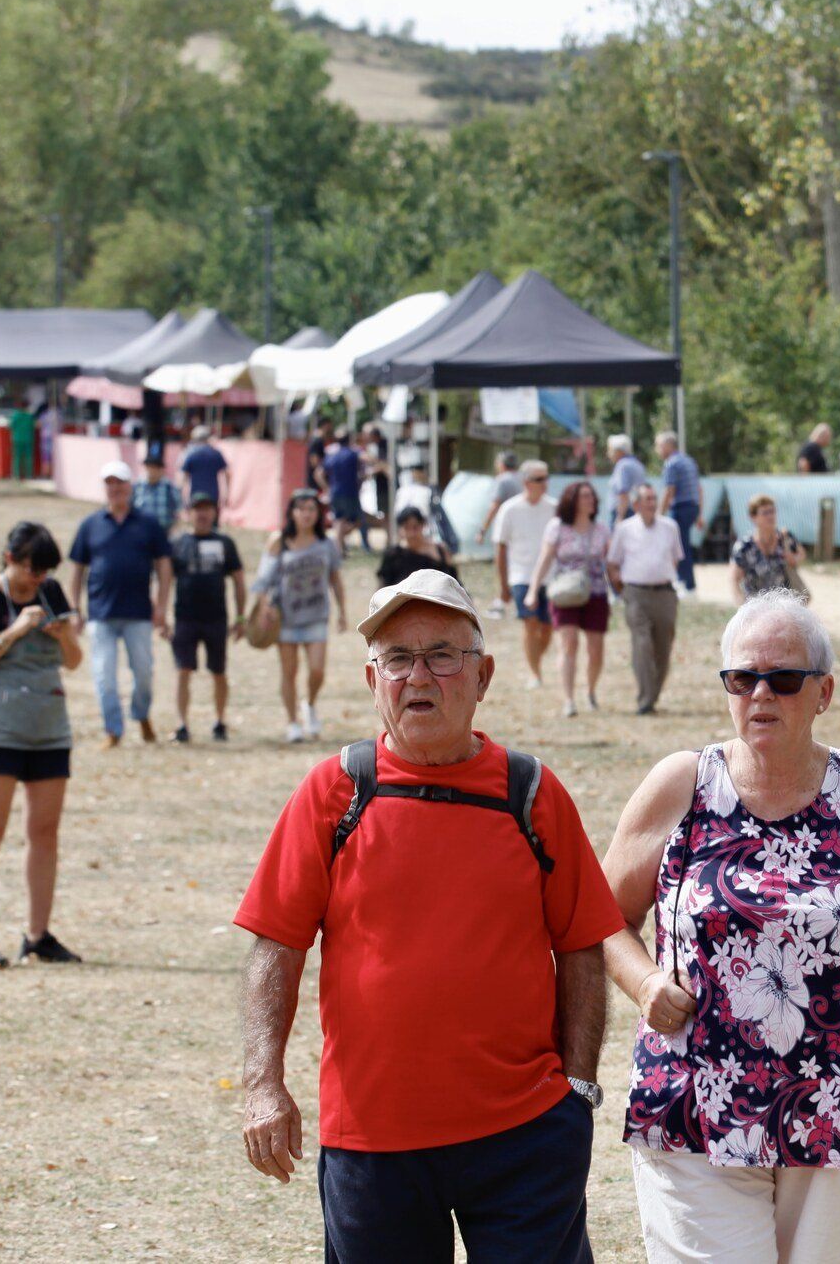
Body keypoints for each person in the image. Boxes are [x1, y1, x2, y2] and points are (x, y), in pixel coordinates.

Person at [236, 569, 622, 1261]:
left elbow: (583, 945)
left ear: (483, 675)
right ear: (371, 678)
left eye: (443, 654)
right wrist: (264, 1081)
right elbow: (277, 945)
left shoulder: (531, 793)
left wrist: (578, 1090)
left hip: (526, 1136)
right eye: (398, 659)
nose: (420, 676)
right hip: (374, 1140)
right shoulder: (334, 793)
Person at [603, 590, 840, 1260]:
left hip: (833, 1091)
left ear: (824, 692)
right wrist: (644, 980)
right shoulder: (682, 783)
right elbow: (601, 916)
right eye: (742, 678)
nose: (761, 693)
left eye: (784, 678)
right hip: (695, 1093)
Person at [0, 522, 84, 969]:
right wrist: (11, 632)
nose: (38, 578)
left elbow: (74, 660)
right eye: (32, 569)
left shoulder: (52, 593)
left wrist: (63, 634)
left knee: (44, 832)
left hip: (48, 728)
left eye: (46, 571)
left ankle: (38, 934)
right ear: (10, 558)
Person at [68, 461, 173, 748]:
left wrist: (162, 605)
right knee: (104, 676)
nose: (115, 489)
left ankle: (141, 714)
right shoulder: (90, 525)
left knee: (143, 673)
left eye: (120, 483)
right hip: (100, 613)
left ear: (130, 487)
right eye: (110, 483)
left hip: (139, 612)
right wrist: (74, 609)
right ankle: (113, 729)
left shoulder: (148, 524)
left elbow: (164, 566)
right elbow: (77, 569)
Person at [253, 489, 347, 743]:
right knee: (289, 671)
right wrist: (264, 608)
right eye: (301, 508)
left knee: (317, 670)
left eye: (311, 509)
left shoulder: (326, 543)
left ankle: (311, 704)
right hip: (286, 617)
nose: (306, 514)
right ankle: (292, 721)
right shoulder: (278, 541)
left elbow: (335, 578)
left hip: (316, 614)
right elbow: (262, 581)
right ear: (291, 512)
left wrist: (342, 612)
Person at [168, 495, 245, 745]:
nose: (202, 514)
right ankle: (181, 724)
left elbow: (238, 579)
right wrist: (162, 614)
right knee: (183, 671)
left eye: (207, 508)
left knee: (219, 672)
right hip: (184, 618)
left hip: (216, 618)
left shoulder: (224, 543)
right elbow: (165, 579)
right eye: (197, 509)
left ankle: (220, 721)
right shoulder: (178, 543)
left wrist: (241, 616)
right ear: (188, 513)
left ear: (214, 512)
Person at [529, 482, 610, 718]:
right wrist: (533, 589)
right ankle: (569, 699)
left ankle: (591, 691)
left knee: (596, 648)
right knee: (568, 643)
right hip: (564, 592)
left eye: (591, 496)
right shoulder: (557, 527)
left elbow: (611, 563)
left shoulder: (602, 529)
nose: (590, 500)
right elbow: (544, 559)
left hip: (595, 592)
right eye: (585, 496)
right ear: (572, 500)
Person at [607, 483, 683, 716]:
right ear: (636, 504)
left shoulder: (670, 527)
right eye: (647, 499)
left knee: (663, 648)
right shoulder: (625, 529)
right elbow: (613, 563)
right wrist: (623, 591)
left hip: (665, 595)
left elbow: (676, 558)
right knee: (642, 645)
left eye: (654, 498)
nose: (651, 503)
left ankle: (653, 695)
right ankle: (644, 699)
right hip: (636, 594)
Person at [489, 459, 556, 686]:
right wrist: (503, 585)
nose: (544, 483)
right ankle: (534, 673)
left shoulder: (554, 508)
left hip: (550, 576)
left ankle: (535, 658)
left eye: (546, 478)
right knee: (530, 623)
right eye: (539, 479)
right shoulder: (510, 509)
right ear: (526, 482)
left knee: (547, 628)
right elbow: (500, 546)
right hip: (521, 576)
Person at [729, 494, 806, 603]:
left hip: (784, 604)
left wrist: (794, 559)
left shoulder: (784, 538)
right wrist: (741, 605)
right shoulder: (744, 546)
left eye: (772, 511)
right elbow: (734, 578)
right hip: (755, 606)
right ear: (753, 517)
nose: (770, 516)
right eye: (765, 513)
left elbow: (801, 554)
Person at [655, 431, 702, 596]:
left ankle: (686, 585)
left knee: (679, 548)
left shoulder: (671, 464)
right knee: (683, 546)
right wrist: (700, 513)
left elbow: (669, 490)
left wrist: (659, 516)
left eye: (659, 445)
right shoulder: (689, 461)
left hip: (680, 508)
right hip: (692, 507)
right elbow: (698, 488)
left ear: (668, 445)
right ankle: (688, 584)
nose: (657, 450)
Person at [376, 506, 458, 588]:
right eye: (407, 528)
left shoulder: (440, 551)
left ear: (423, 525)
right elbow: (383, 587)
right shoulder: (393, 555)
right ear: (401, 529)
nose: (412, 533)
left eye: (415, 527)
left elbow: (453, 582)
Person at [323, 430, 369, 555]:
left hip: (335, 492)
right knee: (359, 521)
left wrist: (327, 488)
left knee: (339, 521)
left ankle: (338, 550)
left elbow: (319, 473)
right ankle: (359, 546)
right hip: (350, 492)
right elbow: (366, 459)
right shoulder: (353, 453)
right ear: (350, 440)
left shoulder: (331, 454)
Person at [131, 449, 184, 537]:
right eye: (149, 467)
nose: (151, 471)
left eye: (154, 467)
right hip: (141, 532)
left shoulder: (169, 487)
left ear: (161, 470)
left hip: (163, 532)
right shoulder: (137, 486)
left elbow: (179, 510)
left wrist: (173, 528)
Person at [478, 450, 523, 552]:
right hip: (523, 526)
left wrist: (482, 531)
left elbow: (494, 506)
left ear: (501, 465)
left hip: (506, 528)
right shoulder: (523, 478)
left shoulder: (502, 480)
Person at [181, 424, 230, 506]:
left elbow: (184, 477)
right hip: (213, 493)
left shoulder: (191, 455)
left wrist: (183, 497)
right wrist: (227, 493)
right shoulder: (216, 454)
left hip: (195, 494)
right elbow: (227, 474)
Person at [607, 434, 647, 525]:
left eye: (611, 450)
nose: (609, 454)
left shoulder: (622, 465)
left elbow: (623, 493)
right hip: (636, 510)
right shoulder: (637, 464)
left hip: (625, 512)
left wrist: (619, 517)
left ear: (619, 451)